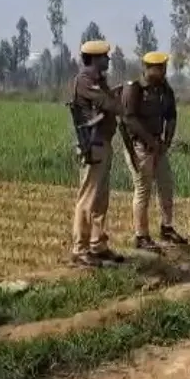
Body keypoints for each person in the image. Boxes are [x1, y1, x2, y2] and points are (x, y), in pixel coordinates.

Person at [121, 51, 188, 251]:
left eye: (163, 67)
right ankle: (141, 235)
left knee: (166, 185)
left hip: (159, 146)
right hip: (140, 147)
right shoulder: (135, 89)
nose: (162, 71)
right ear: (146, 68)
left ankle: (167, 227)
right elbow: (129, 119)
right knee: (143, 190)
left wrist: (167, 141)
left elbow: (171, 116)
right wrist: (150, 141)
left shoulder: (165, 90)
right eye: (158, 68)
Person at [69, 40, 123, 266]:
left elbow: (111, 103)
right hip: (93, 144)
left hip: (103, 143)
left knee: (100, 198)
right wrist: (117, 100)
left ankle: (97, 244)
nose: (108, 60)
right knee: (88, 198)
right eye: (104, 57)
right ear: (94, 59)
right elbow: (110, 105)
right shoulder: (85, 81)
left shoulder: (98, 81)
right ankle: (80, 248)